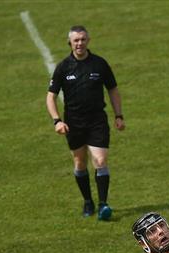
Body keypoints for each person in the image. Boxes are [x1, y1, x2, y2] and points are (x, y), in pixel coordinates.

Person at [46, 25, 125, 220]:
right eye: (76, 40)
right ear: (70, 43)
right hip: (74, 123)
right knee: (80, 163)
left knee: (100, 160)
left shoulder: (99, 64)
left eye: (83, 39)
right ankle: (88, 202)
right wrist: (57, 121)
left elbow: (113, 89)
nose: (79, 43)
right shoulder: (63, 67)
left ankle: (103, 205)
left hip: (97, 121)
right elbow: (50, 97)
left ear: (88, 41)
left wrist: (118, 115)